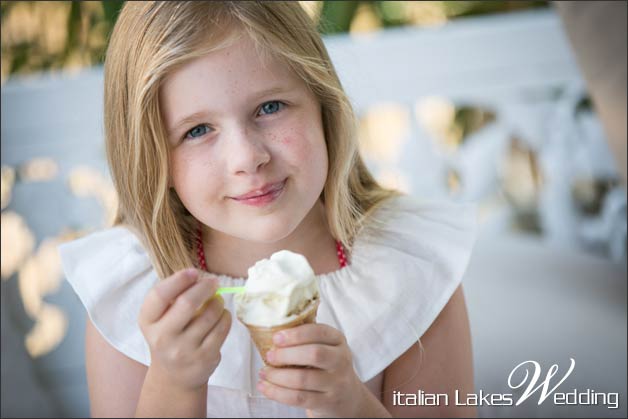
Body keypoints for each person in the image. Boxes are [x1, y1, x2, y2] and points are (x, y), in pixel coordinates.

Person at [59, 2, 477, 417]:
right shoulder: (134, 295)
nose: (246, 157)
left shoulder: (410, 271)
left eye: (270, 107)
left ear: (322, 106)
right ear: (153, 158)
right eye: (198, 130)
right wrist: (173, 383)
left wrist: (351, 406)